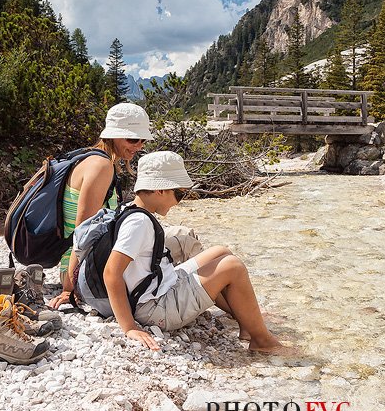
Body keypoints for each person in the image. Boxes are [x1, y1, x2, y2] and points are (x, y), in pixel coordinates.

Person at [75, 150, 291, 355]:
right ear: (160, 190)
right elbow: (112, 273)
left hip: (159, 287)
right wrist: (129, 326)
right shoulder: (139, 222)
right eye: (179, 194)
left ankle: (246, 322)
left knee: (220, 252)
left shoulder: (130, 209)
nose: (180, 201)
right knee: (232, 266)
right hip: (155, 308)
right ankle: (262, 341)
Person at [48, 102, 152, 308]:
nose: (139, 145)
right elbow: (82, 232)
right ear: (113, 136)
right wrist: (71, 288)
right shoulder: (102, 167)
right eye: (133, 139)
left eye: (142, 140)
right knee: (181, 240)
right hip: (83, 272)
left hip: (81, 267)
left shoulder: (90, 158)